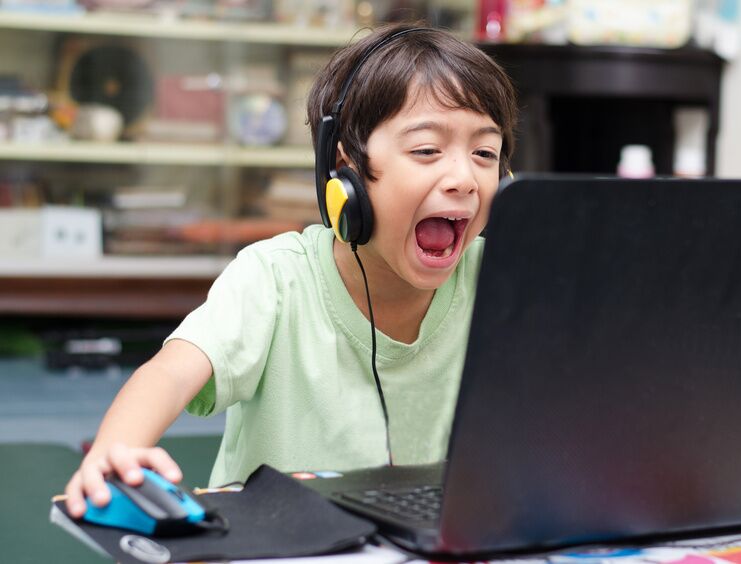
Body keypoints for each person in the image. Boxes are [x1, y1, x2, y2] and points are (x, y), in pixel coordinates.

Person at [64, 22, 518, 519]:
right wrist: (118, 449)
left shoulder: (500, 282)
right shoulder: (276, 278)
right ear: (347, 173)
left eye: (484, 153)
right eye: (427, 150)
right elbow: (170, 374)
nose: (463, 179)